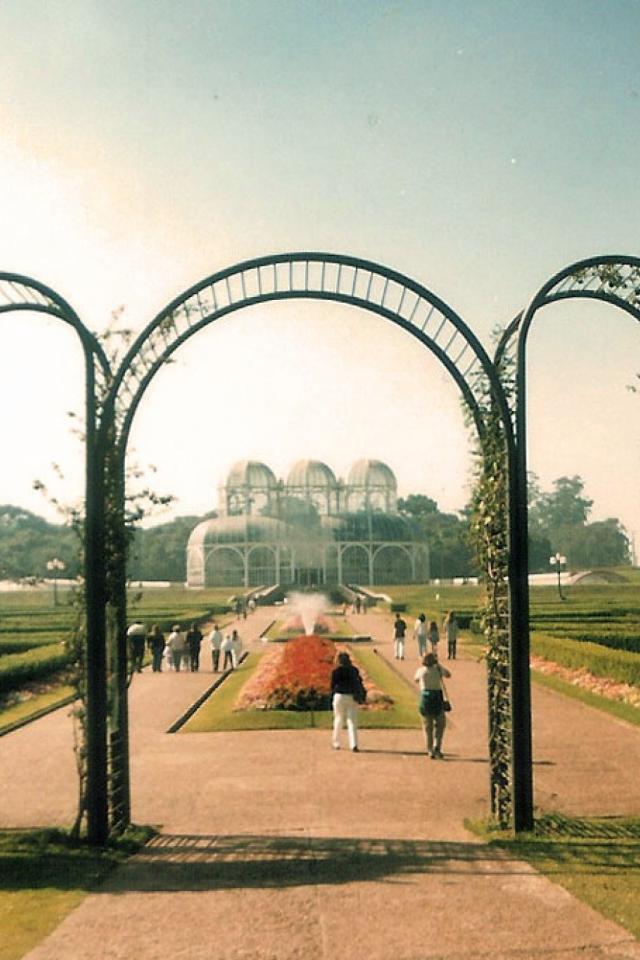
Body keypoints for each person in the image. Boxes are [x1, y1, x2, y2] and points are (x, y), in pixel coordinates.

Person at [414, 652, 451, 758]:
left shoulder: (421, 671)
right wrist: (438, 665)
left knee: (428, 727)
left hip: (426, 699)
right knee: (440, 725)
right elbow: (448, 674)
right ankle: (437, 746)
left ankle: (430, 749)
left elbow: (416, 679)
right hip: (437, 698)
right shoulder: (438, 669)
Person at [330, 651, 364, 752]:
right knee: (352, 721)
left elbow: (332, 685)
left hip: (339, 696)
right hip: (351, 696)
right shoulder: (354, 670)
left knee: (338, 719)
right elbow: (359, 682)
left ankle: (336, 742)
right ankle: (354, 744)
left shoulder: (336, 671)